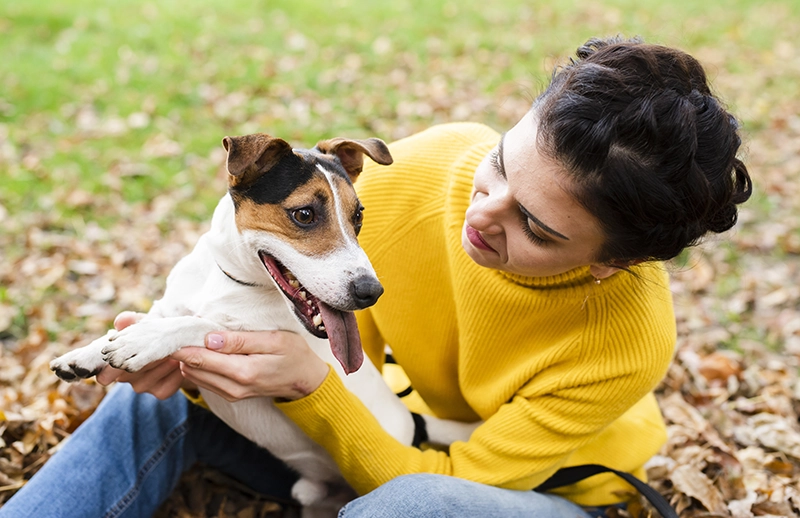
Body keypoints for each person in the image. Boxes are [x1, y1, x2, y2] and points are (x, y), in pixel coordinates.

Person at [0, 36, 751, 518]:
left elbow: (455, 478)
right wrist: (189, 356)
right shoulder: (422, 175)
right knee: (146, 397)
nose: (481, 214)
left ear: (608, 262)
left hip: (540, 491)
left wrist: (310, 385)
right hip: (381, 423)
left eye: (537, 227)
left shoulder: (627, 341)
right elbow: (287, 287)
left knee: (408, 509)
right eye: (498, 165)